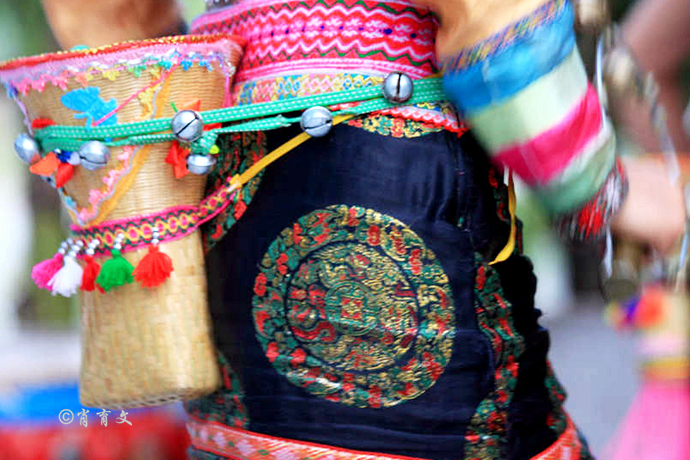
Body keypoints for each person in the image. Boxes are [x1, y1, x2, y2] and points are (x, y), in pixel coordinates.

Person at [37, 0, 686, 459]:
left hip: (232, 182)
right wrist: (603, 188)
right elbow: (488, 15)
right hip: (387, 168)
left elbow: (109, 17)